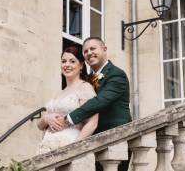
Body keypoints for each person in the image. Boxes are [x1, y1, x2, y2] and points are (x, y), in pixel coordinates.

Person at [47, 37, 132, 171]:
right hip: (92, 140)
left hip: (115, 139)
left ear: (104, 49)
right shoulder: (87, 80)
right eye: (85, 51)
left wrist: (68, 118)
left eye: (93, 48)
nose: (89, 53)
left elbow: (99, 102)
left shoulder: (116, 75)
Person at [36, 45, 98, 154]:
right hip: (46, 147)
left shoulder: (85, 88)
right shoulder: (59, 93)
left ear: (81, 65)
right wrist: (46, 118)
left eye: (72, 61)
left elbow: (92, 123)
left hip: (68, 145)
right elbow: (39, 125)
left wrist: (74, 148)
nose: (67, 65)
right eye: (64, 61)